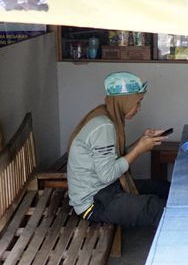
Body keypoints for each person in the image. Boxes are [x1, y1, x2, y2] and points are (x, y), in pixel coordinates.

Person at [67, 71, 170, 227]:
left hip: (108, 189)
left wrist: (141, 142)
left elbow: (113, 159)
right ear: (125, 101)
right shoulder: (104, 126)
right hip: (94, 202)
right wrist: (138, 150)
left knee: (162, 187)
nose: (139, 108)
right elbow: (107, 175)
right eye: (138, 102)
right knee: (156, 208)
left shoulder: (106, 114)